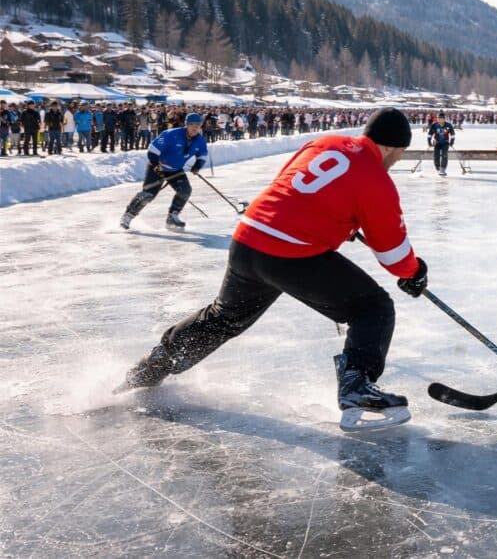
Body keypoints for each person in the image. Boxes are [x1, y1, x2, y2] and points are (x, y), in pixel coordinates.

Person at [117, 107, 427, 432]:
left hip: (248, 240)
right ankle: (356, 388)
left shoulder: (324, 143)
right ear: (391, 146)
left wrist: (339, 220)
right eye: (401, 152)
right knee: (373, 308)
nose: (398, 159)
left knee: (223, 318)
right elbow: (393, 254)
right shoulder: (375, 178)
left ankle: (151, 368)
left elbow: (290, 186)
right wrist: (414, 272)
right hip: (290, 253)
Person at [119, 112, 209, 231]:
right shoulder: (171, 134)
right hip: (158, 167)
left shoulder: (200, 140)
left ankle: (172, 216)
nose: (195, 128)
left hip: (175, 170)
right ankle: (128, 215)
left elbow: (202, 155)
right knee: (148, 194)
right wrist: (156, 165)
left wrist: (197, 165)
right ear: (186, 124)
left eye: (198, 126)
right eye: (192, 125)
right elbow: (153, 150)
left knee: (185, 190)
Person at [427, 112, 455, 176]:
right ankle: (438, 168)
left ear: (444, 119)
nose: (440, 120)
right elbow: (430, 134)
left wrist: (452, 141)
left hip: (445, 142)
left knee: (444, 155)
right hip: (436, 142)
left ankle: (443, 169)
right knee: (436, 155)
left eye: (441, 118)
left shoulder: (448, 125)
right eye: (438, 118)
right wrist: (429, 142)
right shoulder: (434, 125)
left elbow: (452, 134)